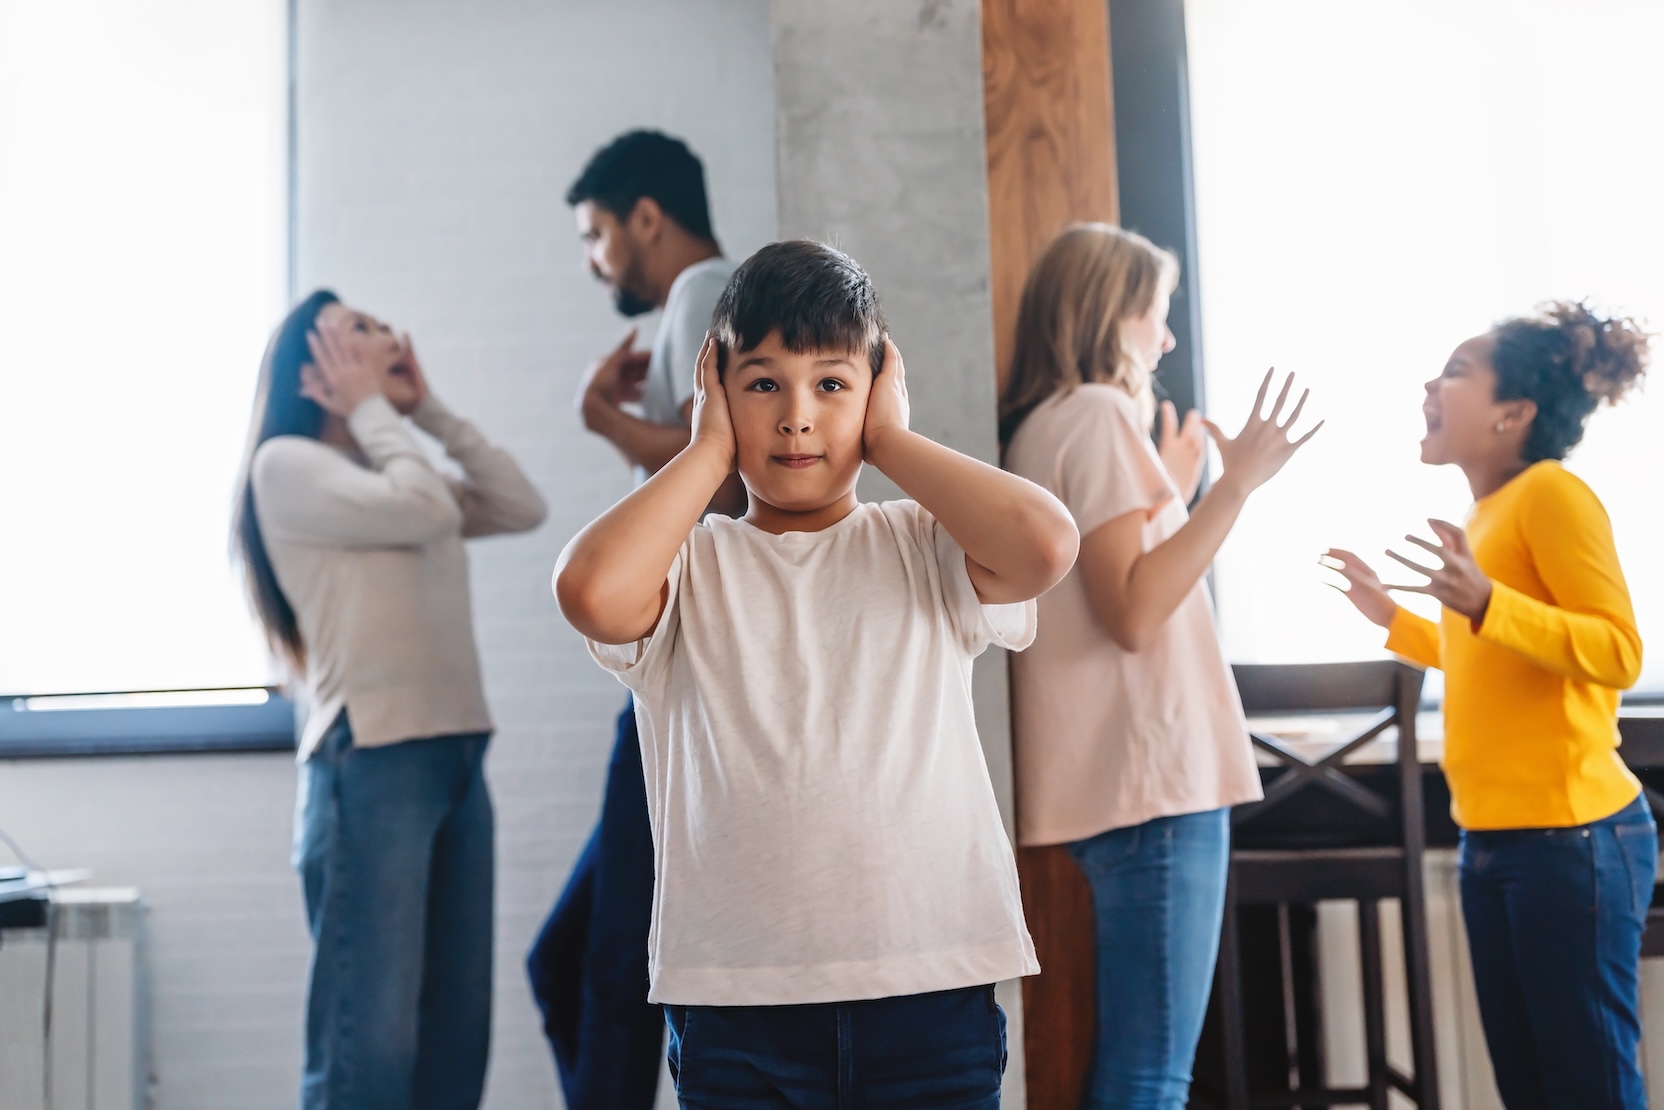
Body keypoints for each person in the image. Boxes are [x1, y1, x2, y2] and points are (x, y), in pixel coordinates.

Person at [554, 240, 1079, 1107]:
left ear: (877, 390)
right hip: (738, 1010)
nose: (797, 417)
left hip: (930, 991)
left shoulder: (924, 544)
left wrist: (892, 441)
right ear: (717, 393)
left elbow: (1048, 543)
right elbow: (588, 590)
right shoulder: (689, 567)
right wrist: (706, 452)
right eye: (763, 384)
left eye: (831, 384)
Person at [1000, 224, 1320, 1110]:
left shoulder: (1049, 424)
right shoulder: (1100, 415)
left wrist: (1173, 495)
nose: (1167, 338)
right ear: (1111, 315)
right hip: (1156, 790)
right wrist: (1235, 485)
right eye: (1156, 313)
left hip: (1118, 787)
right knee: (1151, 1076)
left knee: (1142, 1069)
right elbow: (1134, 614)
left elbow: (1109, 585)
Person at [1325, 301, 1653, 1110]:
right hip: (1493, 845)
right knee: (1529, 1089)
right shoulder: (1487, 515)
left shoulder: (1552, 494)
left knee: (1587, 1088)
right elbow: (1489, 654)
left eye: (1456, 372)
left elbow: (1618, 651)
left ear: (1514, 413)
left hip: (1571, 841)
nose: (1430, 387)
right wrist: (1394, 618)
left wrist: (1487, 603)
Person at [231, 291, 547, 1109]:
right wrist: (378, 413)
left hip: (455, 758)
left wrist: (425, 409)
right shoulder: (288, 466)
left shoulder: (389, 467)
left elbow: (521, 503)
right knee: (366, 1051)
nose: (387, 336)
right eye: (360, 331)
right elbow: (428, 509)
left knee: (455, 1042)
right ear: (315, 370)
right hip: (370, 765)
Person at [527, 129, 740, 1110]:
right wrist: (635, 425)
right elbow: (687, 480)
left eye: (595, 234)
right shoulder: (698, 305)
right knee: (568, 959)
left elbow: (718, 475)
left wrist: (606, 420)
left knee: (611, 971)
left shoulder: (701, 292)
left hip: (679, 674)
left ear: (645, 218)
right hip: (675, 666)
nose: (592, 259)